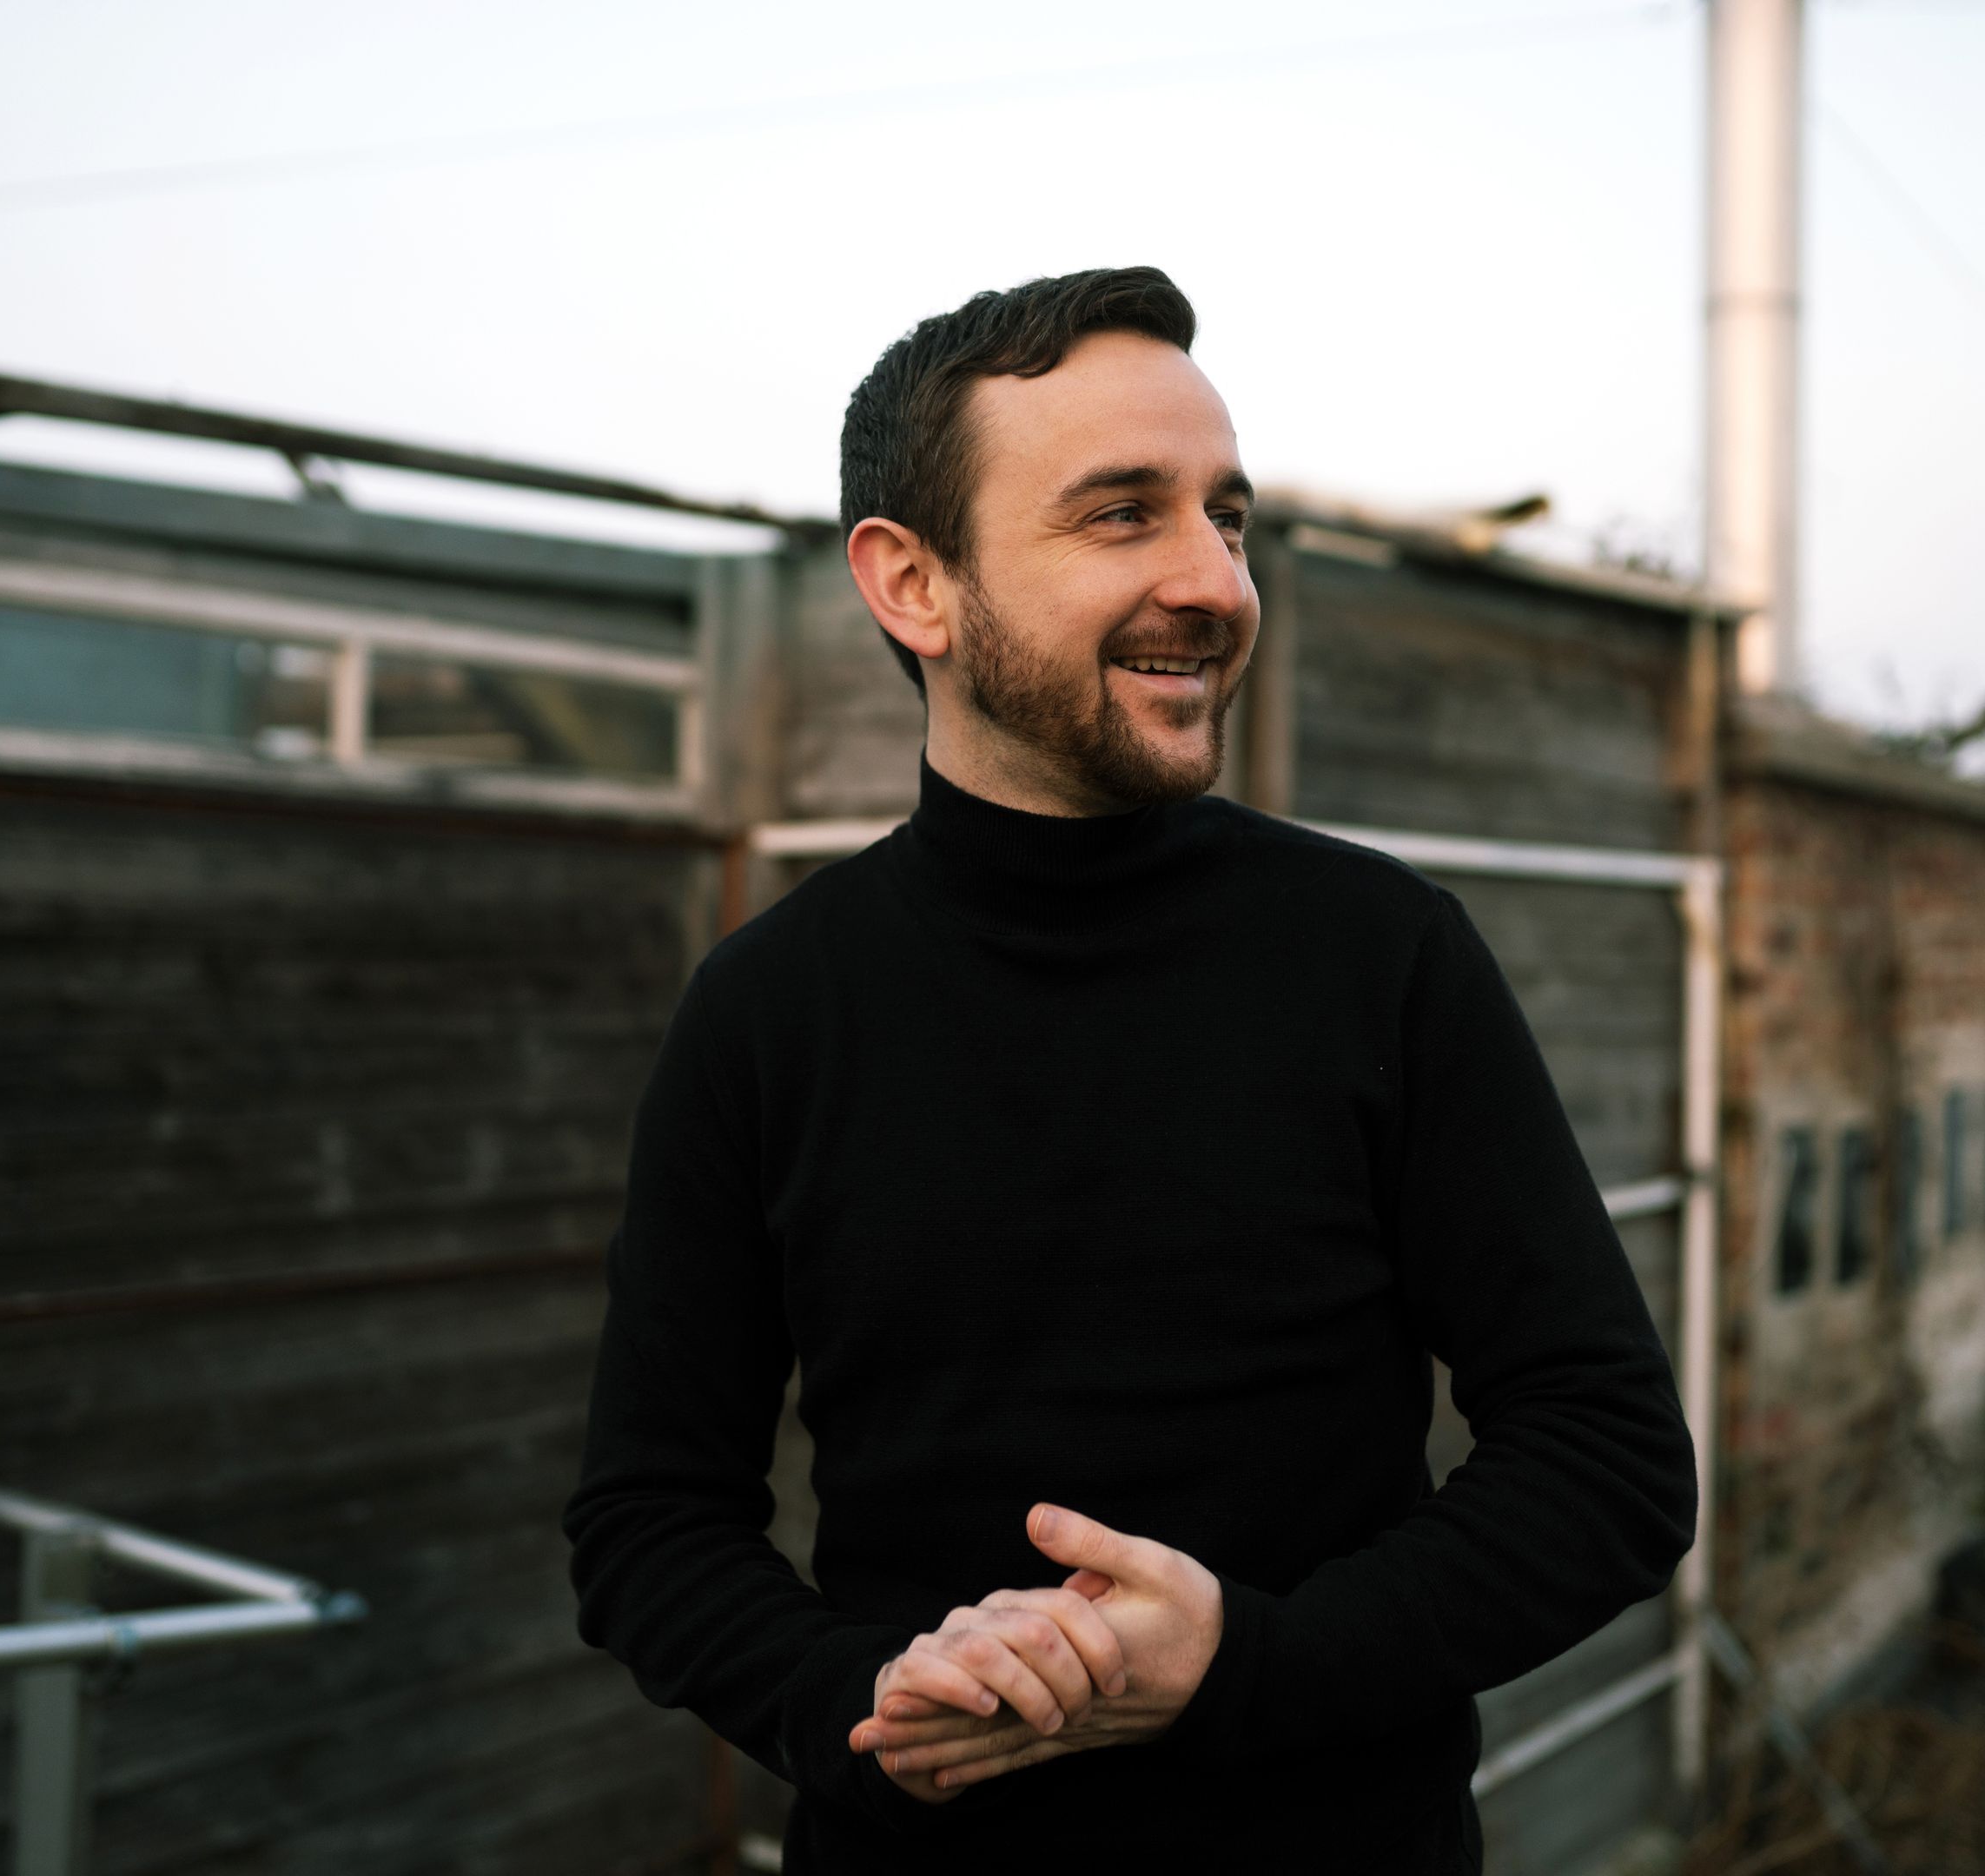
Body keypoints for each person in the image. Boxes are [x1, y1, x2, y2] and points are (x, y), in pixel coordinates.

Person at [563, 266, 1697, 1873]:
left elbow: (1606, 1460)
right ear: (912, 583)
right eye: (1121, 515)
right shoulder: (766, 1011)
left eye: (1225, 518)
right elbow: (647, 1523)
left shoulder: (1379, 956)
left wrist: (1246, 1662)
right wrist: (860, 1700)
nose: (1215, 584)